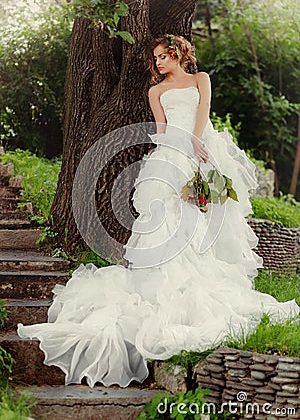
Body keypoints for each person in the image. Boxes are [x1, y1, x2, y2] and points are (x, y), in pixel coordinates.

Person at [18, 34, 299, 388]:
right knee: (166, 218)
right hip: (170, 153)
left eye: (164, 56)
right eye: (156, 58)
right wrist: (167, 161)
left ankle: (203, 273)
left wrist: (197, 149)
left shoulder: (201, 80)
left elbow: (203, 114)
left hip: (202, 148)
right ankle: (167, 279)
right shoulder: (156, 92)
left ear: (179, 53)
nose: (160, 62)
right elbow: (162, 130)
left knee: (205, 219)